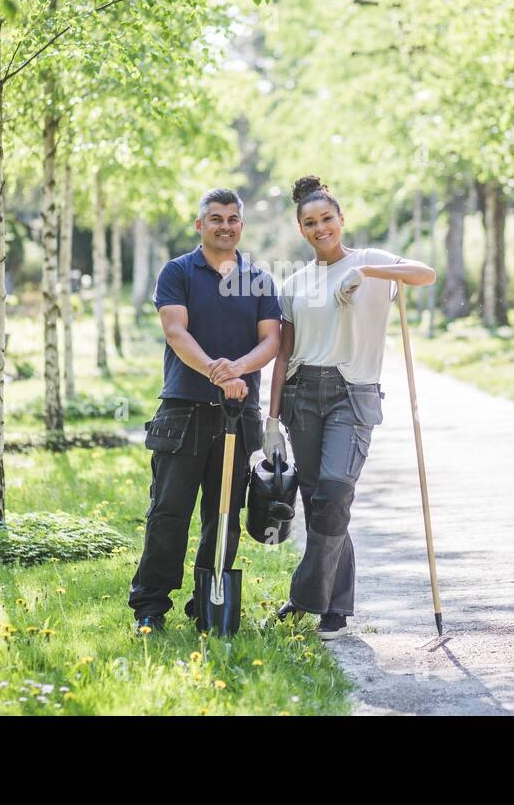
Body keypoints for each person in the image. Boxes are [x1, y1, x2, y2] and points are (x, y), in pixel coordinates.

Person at [265, 175, 435, 640]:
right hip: (303, 396)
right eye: (310, 223)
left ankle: (303, 597)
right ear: (302, 230)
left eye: (327, 219)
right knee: (320, 504)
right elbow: (284, 354)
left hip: (351, 393)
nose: (321, 228)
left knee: (335, 493)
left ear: (341, 220)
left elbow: (426, 274)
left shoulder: (372, 261)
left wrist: (370, 274)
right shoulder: (295, 284)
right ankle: (334, 610)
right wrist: (273, 418)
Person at [128, 188, 282, 634]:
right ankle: (150, 608)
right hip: (184, 411)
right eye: (216, 219)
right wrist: (218, 372)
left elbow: (271, 340)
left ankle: (207, 603)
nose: (225, 226)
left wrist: (238, 369)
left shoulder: (259, 279)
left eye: (233, 219)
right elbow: (176, 331)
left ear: (241, 226)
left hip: (238, 413)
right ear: (200, 225)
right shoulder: (177, 272)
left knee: (224, 514)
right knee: (168, 512)